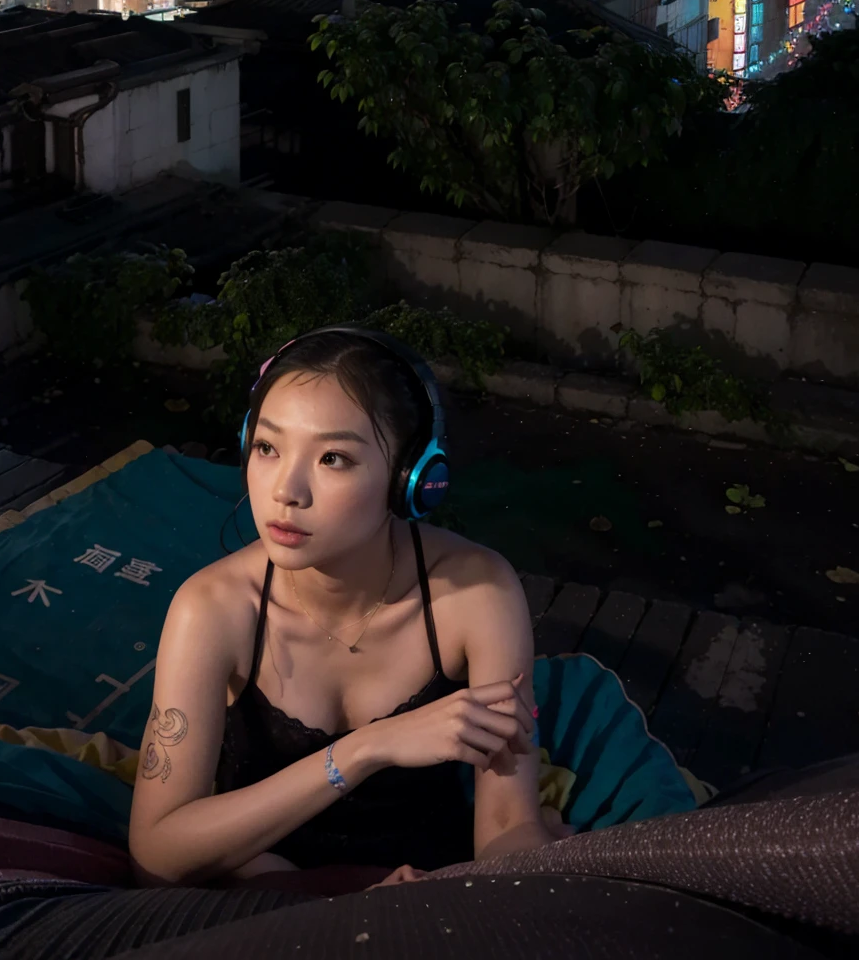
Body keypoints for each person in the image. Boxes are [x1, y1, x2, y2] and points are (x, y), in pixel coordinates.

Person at [128, 328, 558, 889]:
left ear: (412, 481)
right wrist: (366, 750)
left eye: (333, 457)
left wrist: (500, 879)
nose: (287, 489)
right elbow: (155, 853)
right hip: (268, 884)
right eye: (267, 447)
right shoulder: (212, 610)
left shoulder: (476, 594)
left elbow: (506, 822)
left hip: (425, 884)